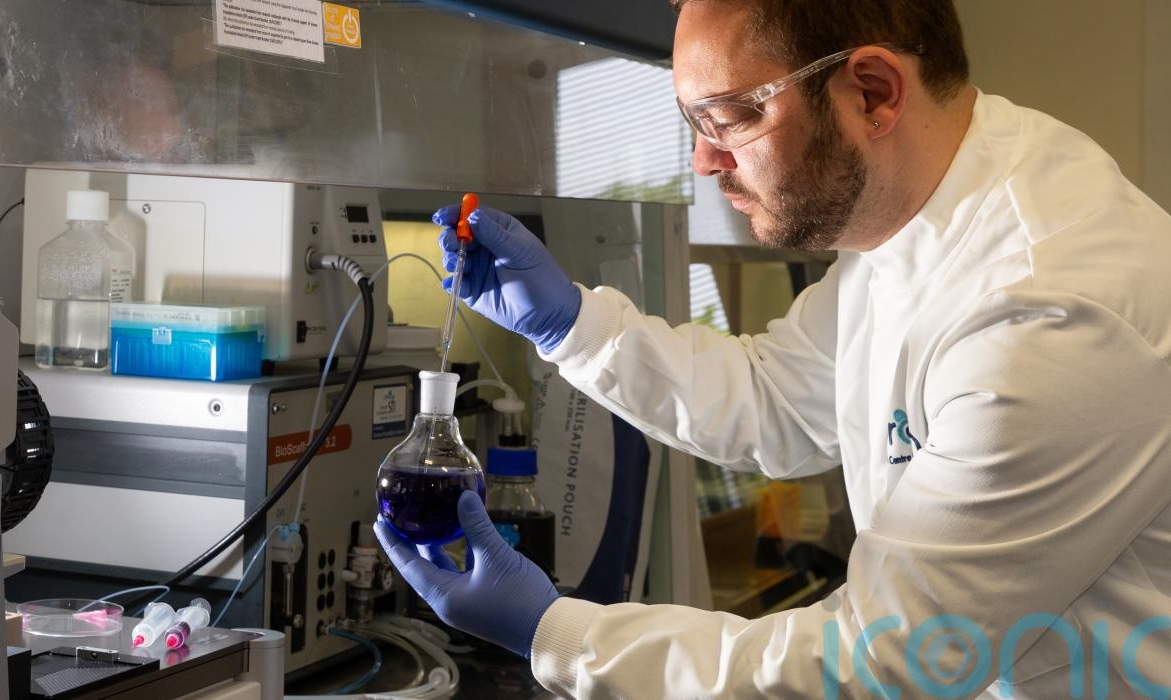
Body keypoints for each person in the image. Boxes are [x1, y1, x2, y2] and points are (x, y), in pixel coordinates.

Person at [374, 0, 1171, 697]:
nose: (703, 160)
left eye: (728, 119)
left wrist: (556, 632)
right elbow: (778, 399)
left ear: (873, 92)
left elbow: (875, 664)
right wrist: (573, 326)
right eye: (692, 124)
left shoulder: (1045, 313)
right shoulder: (912, 223)